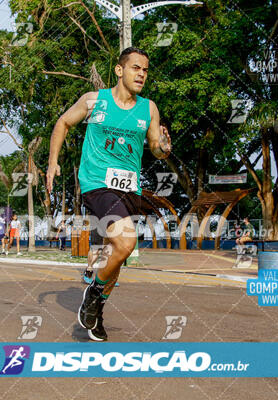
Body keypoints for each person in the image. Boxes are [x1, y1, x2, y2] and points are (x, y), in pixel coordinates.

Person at [46, 47, 171, 341]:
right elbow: (63, 122)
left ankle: (96, 309)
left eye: (145, 70)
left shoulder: (148, 108)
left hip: (130, 188)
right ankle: (93, 295)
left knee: (115, 256)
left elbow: (154, 147)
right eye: (135, 68)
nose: (141, 74)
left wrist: (164, 148)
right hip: (97, 182)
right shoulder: (95, 101)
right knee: (126, 242)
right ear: (119, 70)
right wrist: (53, 162)